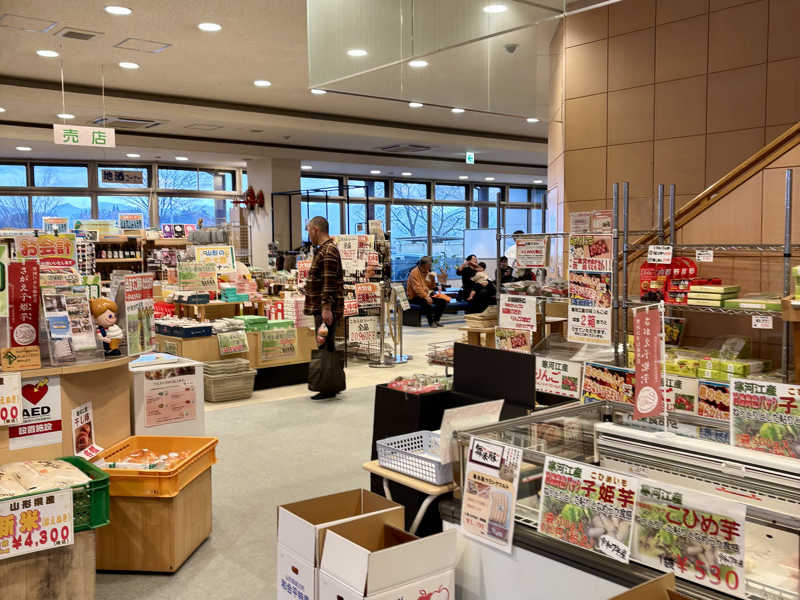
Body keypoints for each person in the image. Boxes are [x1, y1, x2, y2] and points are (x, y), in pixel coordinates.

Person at [303, 216, 345, 399]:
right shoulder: (325, 250)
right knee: (328, 345)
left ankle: (327, 386)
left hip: (326, 310)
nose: (308, 235)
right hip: (324, 308)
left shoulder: (328, 251)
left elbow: (329, 282)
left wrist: (326, 307)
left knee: (324, 346)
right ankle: (332, 383)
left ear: (315, 230)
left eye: (308, 230)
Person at [406, 256, 447, 327]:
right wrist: (426, 297)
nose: (431, 266)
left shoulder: (427, 272)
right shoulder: (414, 272)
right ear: (424, 265)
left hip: (425, 295)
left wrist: (433, 278)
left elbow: (431, 287)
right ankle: (431, 322)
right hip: (414, 297)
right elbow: (417, 288)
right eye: (430, 265)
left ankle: (436, 320)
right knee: (426, 302)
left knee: (442, 301)